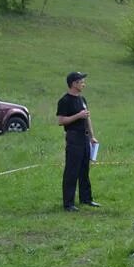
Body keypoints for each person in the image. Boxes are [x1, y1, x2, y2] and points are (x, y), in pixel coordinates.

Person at [56, 72, 100, 212]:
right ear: (74, 83)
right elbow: (61, 121)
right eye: (81, 82)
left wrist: (92, 136)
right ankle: (68, 203)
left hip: (85, 138)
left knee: (84, 170)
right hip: (74, 137)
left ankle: (86, 198)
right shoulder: (65, 100)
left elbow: (87, 118)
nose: (83, 84)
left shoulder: (82, 99)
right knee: (72, 170)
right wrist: (78, 115)